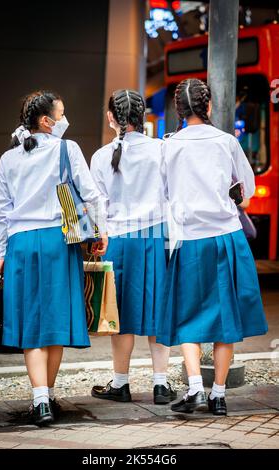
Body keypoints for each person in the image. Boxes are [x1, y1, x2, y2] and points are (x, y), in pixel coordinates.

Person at [0, 91, 108, 426]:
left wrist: (1, 252)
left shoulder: (9, 158)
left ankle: (41, 400)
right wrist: (102, 230)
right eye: (61, 113)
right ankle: (49, 396)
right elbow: (90, 194)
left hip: (21, 245)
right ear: (47, 121)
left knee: (31, 323)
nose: (64, 119)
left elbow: (0, 212)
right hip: (59, 240)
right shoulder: (67, 149)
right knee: (55, 322)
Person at [156, 78, 268, 416]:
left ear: (179, 110)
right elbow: (245, 187)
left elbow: (164, 193)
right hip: (227, 237)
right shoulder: (226, 142)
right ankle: (218, 395)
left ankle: (194, 391)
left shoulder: (169, 145)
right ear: (208, 107)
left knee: (186, 316)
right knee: (225, 318)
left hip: (190, 241)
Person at [89, 89, 176, 405]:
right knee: (159, 313)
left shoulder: (101, 157)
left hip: (118, 242)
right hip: (156, 239)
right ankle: (161, 385)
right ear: (143, 117)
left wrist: (100, 235)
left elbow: (97, 206)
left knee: (120, 316)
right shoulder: (162, 150)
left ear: (111, 117)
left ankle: (121, 384)